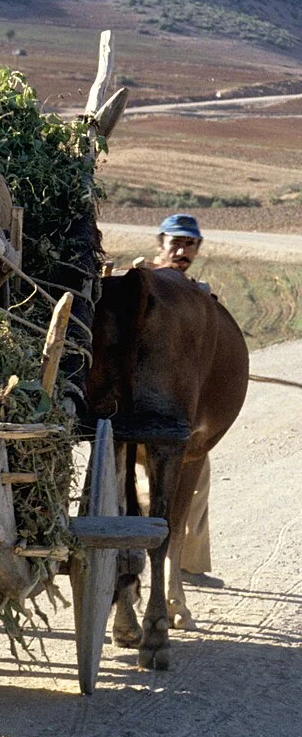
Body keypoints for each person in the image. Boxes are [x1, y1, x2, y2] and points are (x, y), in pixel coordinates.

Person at [132, 213, 219, 585]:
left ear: (197, 249)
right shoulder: (139, 285)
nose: (182, 251)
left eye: (190, 244)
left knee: (199, 476)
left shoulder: (200, 292)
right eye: (176, 243)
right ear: (160, 244)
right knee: (145, 478)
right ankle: (142, 552)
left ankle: (187, 563)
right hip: (142, 396)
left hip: (185, 396)